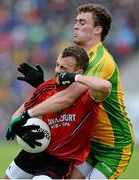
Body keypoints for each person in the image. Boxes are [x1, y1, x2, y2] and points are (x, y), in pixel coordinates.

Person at [15, 3, 135, 179]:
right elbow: (65, 92)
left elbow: (68, 98)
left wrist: (27, 114)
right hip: (88, 142)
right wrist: (41, 85)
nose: (75, 25)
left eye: (82, 22)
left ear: (97, 29)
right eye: (76, 21)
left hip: (113, 146)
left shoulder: (101, 60)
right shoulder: (80, 58)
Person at [5, 46, 111, 179]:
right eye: (57, 65)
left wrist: (76, 78)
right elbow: (17, 115)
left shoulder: (88, 95)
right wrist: (21, 130)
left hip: (60, 162)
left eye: (64, 68)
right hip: (35, 151)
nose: (57, 71)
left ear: (78, 71)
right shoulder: (46, 87)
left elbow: (105, 87)